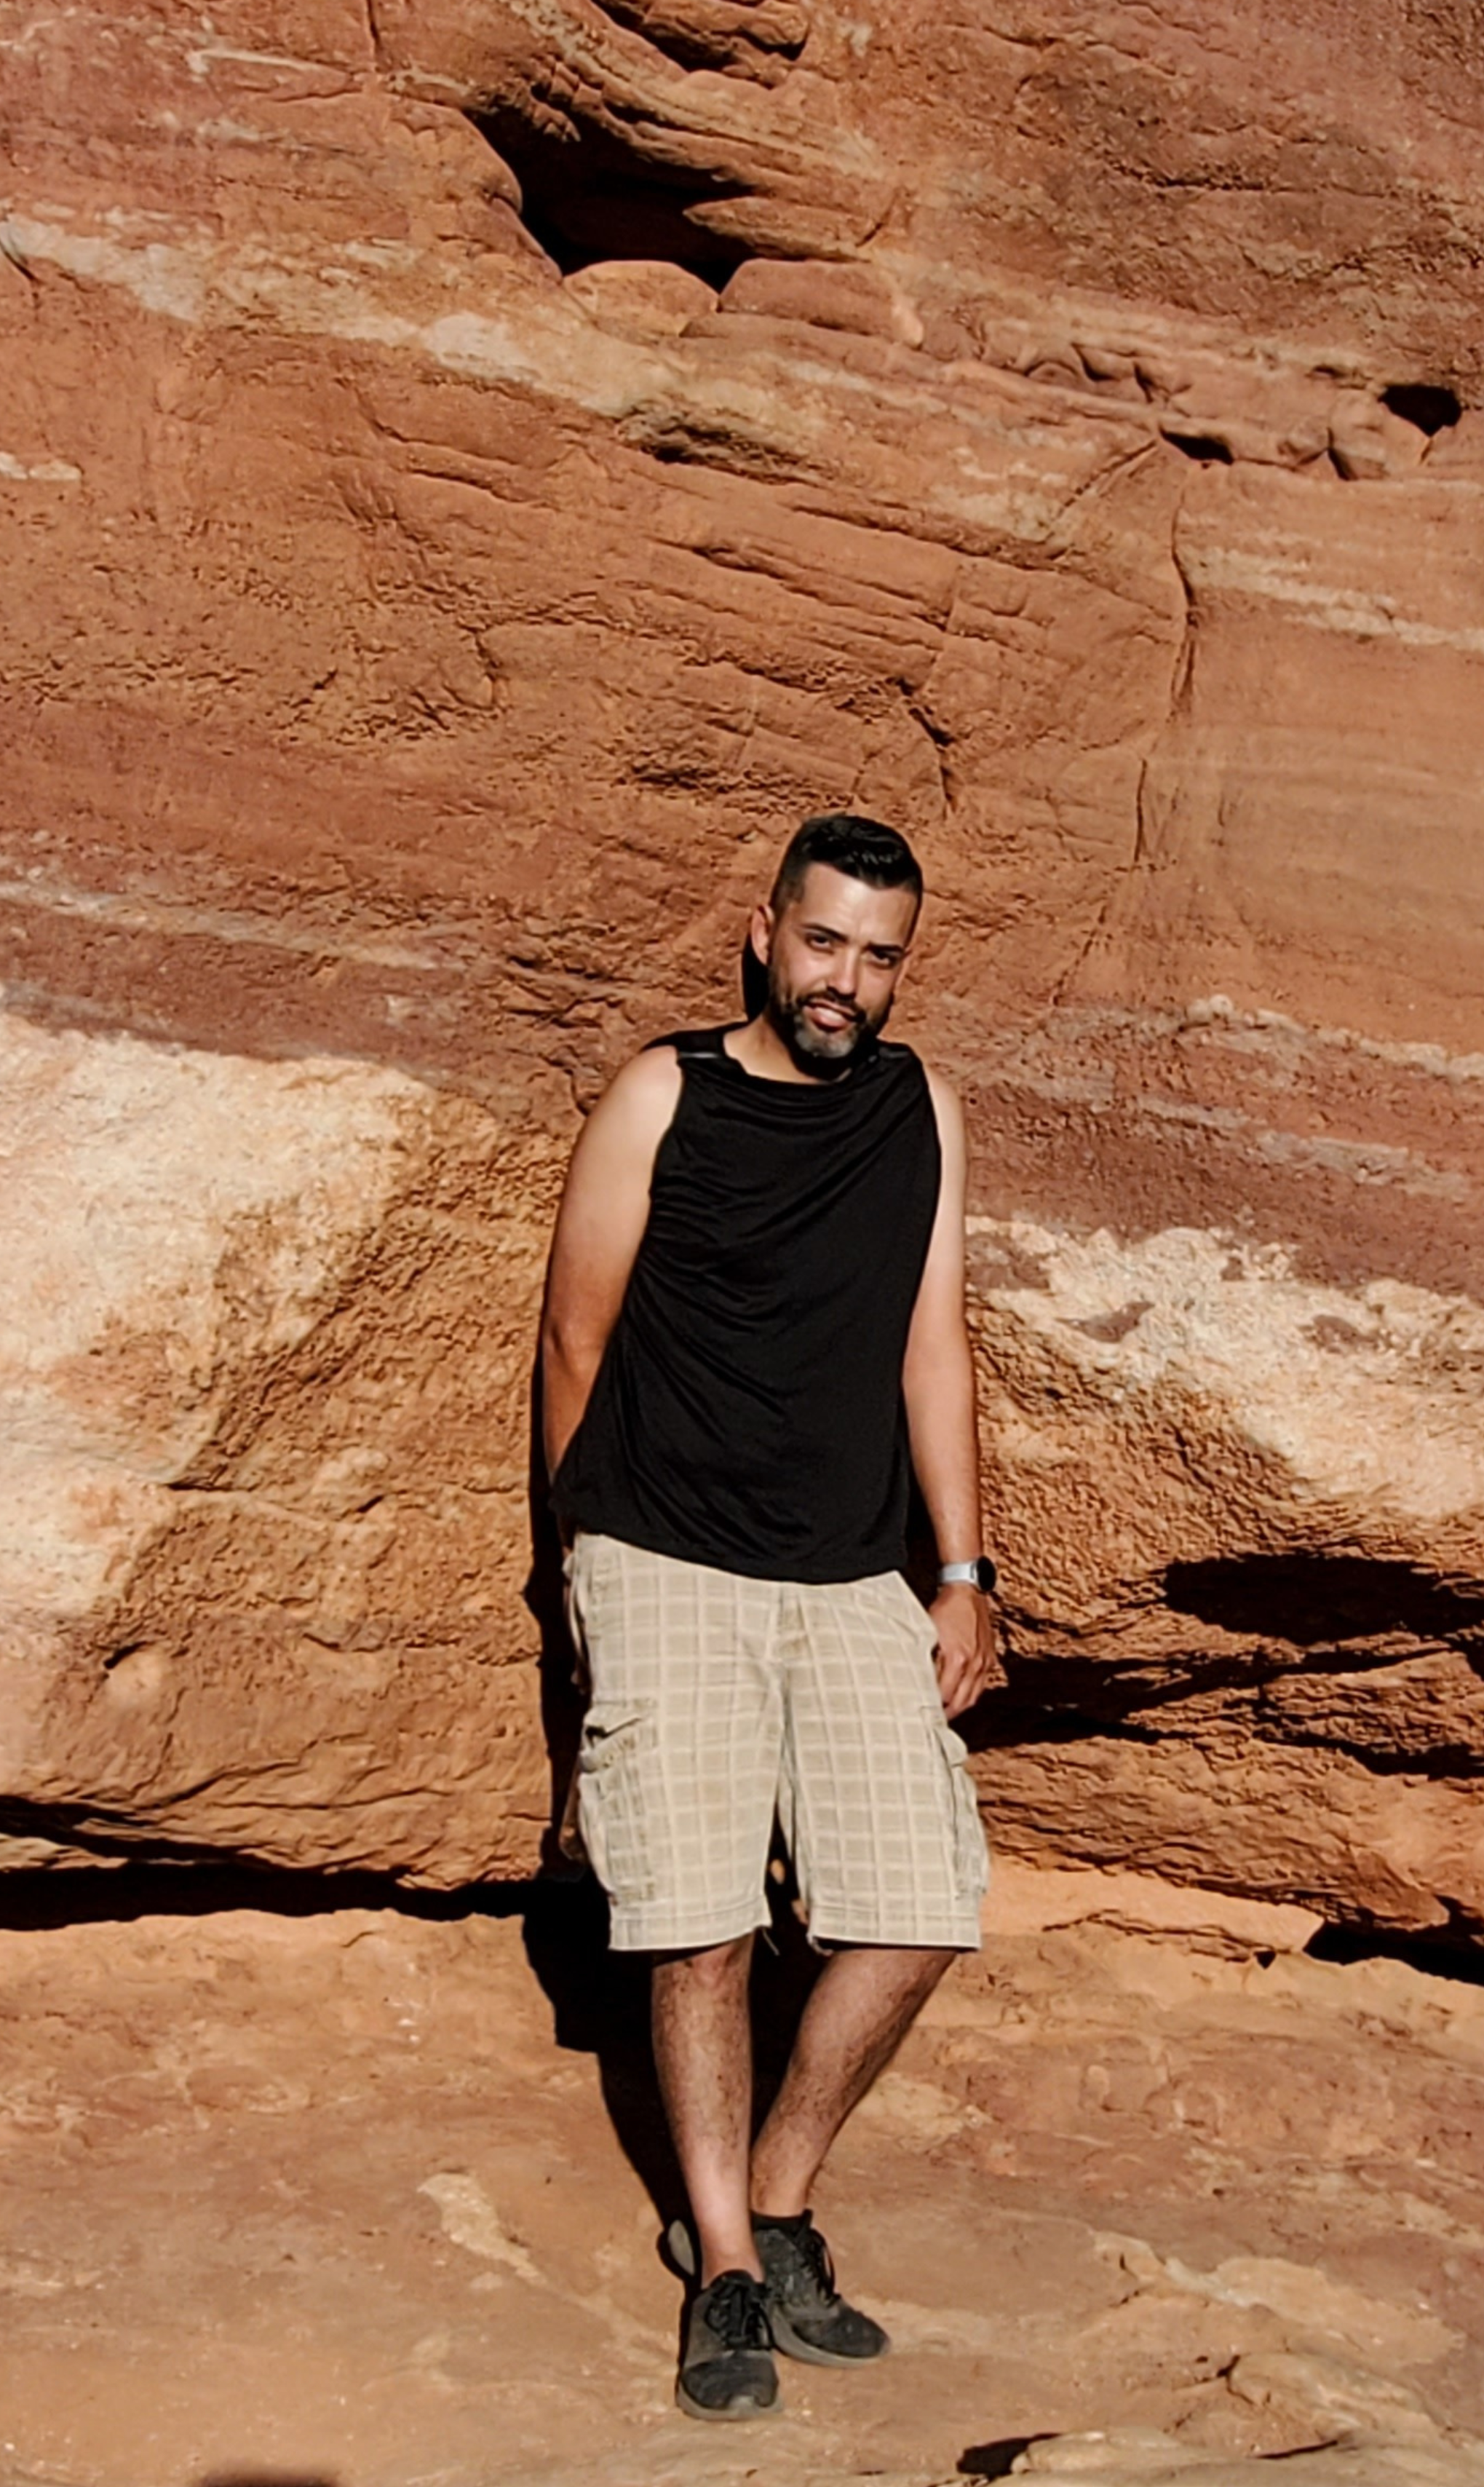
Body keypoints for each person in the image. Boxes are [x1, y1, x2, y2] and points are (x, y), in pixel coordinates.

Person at [539, 810, 998, 2422]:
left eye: (879, 956)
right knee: (701, 1926)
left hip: (856, 1568)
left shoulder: (921, 1111)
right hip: (662, 1550)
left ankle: (781, 2192)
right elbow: (574, 1344)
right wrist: (580, 1579)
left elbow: (933, 1348)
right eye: (823, 942)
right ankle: (725, 2262)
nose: (847, 982)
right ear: (763, 930)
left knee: (922, 1907)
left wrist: (962, 1572)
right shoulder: (668, 1093)